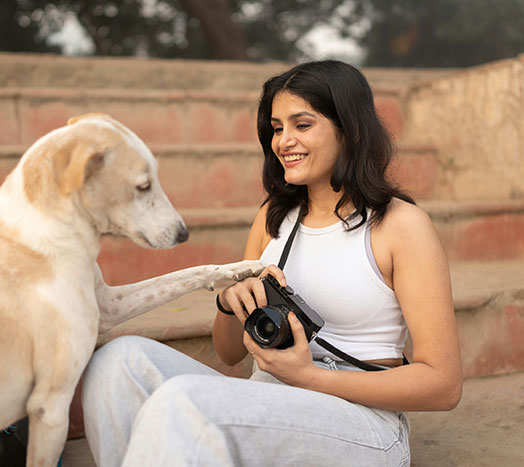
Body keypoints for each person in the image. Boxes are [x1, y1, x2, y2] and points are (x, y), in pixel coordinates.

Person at [80, 60, 462, 466]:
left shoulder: (399, 224)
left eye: (302, 124)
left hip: (361, 422)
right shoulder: (273, 217)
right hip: (271, 396)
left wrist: (309, 377)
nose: (283, 141)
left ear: (349, 130)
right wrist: (230, 303)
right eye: (277, 128)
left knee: (183, 402)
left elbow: (443, 384)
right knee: (117, 363)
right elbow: (228, 354)